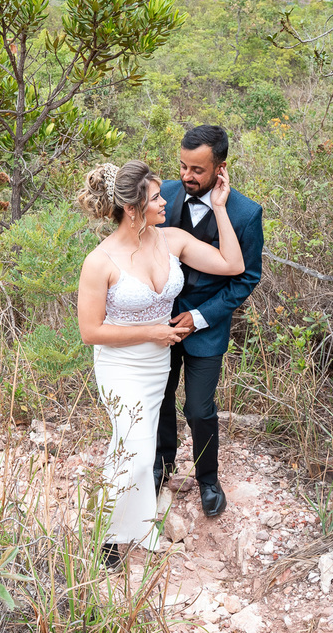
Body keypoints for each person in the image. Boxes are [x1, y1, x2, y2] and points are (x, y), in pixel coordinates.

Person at [76, 160, 244, 568]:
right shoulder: (99, 262)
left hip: (156, 365)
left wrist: (220, 207)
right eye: (156, 197)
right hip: (120, 364)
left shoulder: (172, 239)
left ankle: (136, 524)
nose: (166, 201)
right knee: (133, 447)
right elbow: (90, 331)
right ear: (132, 208)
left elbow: (233, 265)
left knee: (140, 444)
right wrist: (152, 332)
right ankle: (108, 538)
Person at [155, 125, 264, 518]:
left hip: (207, 325)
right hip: (159, 324)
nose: (187, 176)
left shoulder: (246, 213)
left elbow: (246, 277)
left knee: (200, 409)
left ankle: (207, 478)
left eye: (197, 169)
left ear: (221, 167)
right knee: (160, 399)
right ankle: (161, 467)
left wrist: (199, 317)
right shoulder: (162, 194)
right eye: (183, 166)